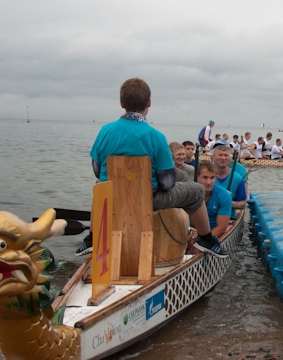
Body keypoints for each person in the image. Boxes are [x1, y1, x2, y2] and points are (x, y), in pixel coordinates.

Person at [82, 78, 227, 258]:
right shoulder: (156, 136)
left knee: (99, 186)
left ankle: (92, 238)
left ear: (121, 103)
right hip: (148, 200)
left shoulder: (105, 131)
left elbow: (97, 169)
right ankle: (206, 239)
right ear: (149, 102)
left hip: (111, 197)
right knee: (197, 191)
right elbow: (166, 182)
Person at [195, 160, 232, 238]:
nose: (209, 182)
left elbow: (221, 228)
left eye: (212, 178)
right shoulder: (189, 193)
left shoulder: (224, 195)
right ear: (198, 177)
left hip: (213, 232)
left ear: (216, 178)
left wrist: (204, 241)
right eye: (205, 177)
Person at [211, 141, 248, 215]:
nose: (223, 158)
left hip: (228, 217)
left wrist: (226, 203)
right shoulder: (205, 175)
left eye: (226, 155)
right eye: (220, 155)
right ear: (212, 158)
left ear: (229, 158)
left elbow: (243, 203)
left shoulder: (237, 178)